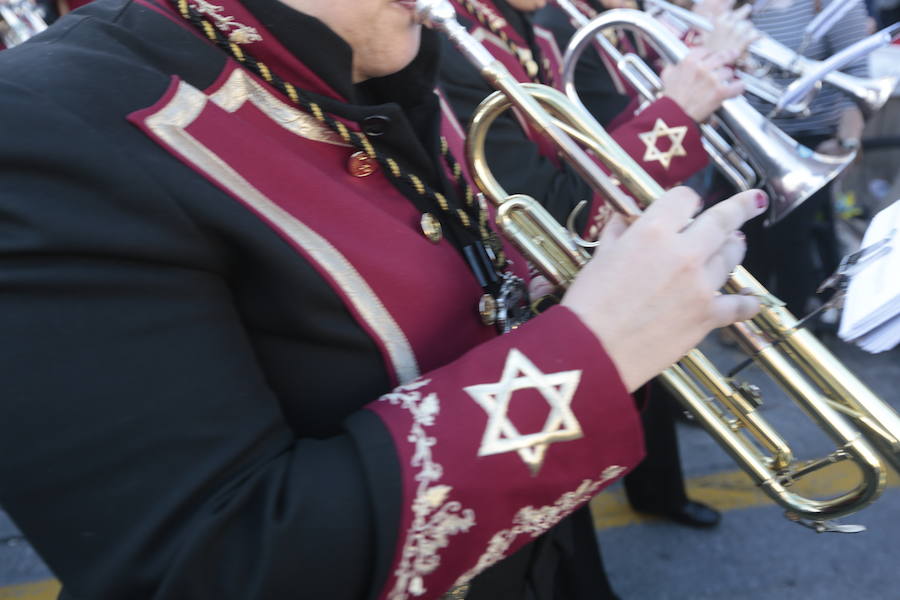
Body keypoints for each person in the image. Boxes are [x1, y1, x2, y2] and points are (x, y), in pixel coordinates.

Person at [0, 0, 765, 599]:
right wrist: (590, 354)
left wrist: (575, 291)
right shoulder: (42, 120)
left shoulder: (378, 52)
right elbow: (208, 568)